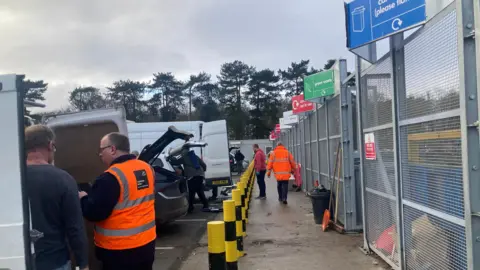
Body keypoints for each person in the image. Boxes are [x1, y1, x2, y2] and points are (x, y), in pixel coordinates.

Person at [79, 132, 156, 270]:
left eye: (101, 150)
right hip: (147, 244)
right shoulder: (146, 168)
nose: (100, 154)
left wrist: (83, 198)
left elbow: (94, 213)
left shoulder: (110, 177)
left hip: (119, 251)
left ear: (113, 149)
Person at [24, 125, 89, 270]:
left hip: (19, 260)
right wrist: (83, 263)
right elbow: (75, 228)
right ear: (50, 145)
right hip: (55, 262)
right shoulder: (64, 180)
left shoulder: (10, 179)